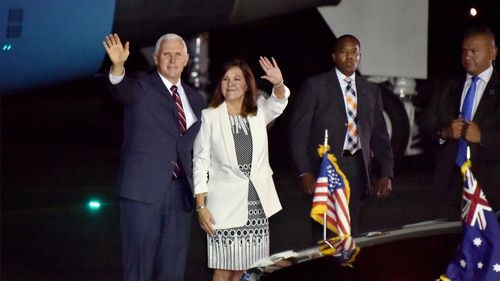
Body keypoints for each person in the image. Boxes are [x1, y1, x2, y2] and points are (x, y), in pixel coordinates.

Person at [102, 33, 205, 281]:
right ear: (156, 58)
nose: (172, 59)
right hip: (142, 192)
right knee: (139, 267)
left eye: (178, 54)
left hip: (180, 194)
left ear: (186, 59)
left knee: (173, 270)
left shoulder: (194, 98)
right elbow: (121, 89)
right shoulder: (141, 85)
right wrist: (118, 67)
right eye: (166, 54)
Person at [193, 57, 289, 281]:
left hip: (256, 204)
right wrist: (201, 207)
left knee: (249, 269)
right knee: (223, 268)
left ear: (247, 84)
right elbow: (200, 162)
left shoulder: (258, 111)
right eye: (226, 79)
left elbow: (279, 102)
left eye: (237, 78)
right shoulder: (210, 116)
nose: (231, 83)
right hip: (222, 207)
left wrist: (278, 83)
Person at [288, 34, 394, 237]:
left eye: (354, 51)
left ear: (360, 56)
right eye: (344, 52)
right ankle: (325, 268)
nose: (350, 57)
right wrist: (304, 172)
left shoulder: (370, 90)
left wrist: (386, 173)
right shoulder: (315, 87)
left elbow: (380, 135)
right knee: (325, 232)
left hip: (358, 168)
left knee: (351, 230)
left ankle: (347, 265)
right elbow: (299, 133)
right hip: (325, 169)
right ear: (334, 56)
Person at [420, 26, 500, 218]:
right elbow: (425, 128)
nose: (468, 56)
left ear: (493, 52)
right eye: (464, 51)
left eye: (474, 51)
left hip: (490, 190)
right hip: (449, 189)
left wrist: (483, 137)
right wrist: (444, 133)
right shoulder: (446, 87)